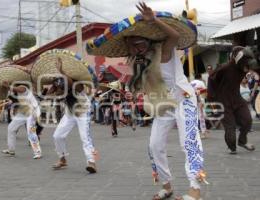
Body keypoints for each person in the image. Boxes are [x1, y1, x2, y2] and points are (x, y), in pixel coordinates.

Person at [86, 2, 205, 200]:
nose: (135, 49)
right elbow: (146, 85)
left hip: (184, 99)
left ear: (148, 41)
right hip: (162, 103)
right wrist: (135, 94)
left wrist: (154, 20)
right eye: (131, 46)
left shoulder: (163, 49)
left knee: (189, 142)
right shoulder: (140, 62)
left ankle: (195, 188)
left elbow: (174, 36)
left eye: (139, 44)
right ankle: (166, 186)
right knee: (154, 145)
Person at [49, 57, 98, 174]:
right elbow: (49, 93)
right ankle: (62, 159)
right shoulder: (58, 84)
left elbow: (70, 83)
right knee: (57, 136)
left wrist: (61, 71)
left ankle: (92, 162)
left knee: (85, 138)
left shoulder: (77, 84)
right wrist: (54, 86)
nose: (60, 90)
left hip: (82, 112)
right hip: (70, 113)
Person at [207, 46, 258, 154]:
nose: (246, 67)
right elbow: (210, 79)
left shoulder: (244, 67)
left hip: (237, 98)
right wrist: (212, 100)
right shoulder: (225, 68)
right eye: (245, 62)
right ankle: (232, 147)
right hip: (223, 101)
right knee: (230, 127)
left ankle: (242, 141)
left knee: (247, 120)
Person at [1, 81, 42, 159]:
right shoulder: (17, 94)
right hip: (23, 112)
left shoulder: (23, 87)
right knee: (11, 128)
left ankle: (38, 152)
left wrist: (8, 86)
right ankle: (11, 150)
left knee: (31, 132)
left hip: (32, 112)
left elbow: (18, 89)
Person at [191, 74, 209, 139]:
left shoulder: (191, 82)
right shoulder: (201, 82)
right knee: (201, 116)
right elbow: (205, 91)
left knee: (194, 116)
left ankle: (195, 132)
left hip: (192, 101)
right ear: (200, 78)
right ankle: (203, 132)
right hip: (200, 101)